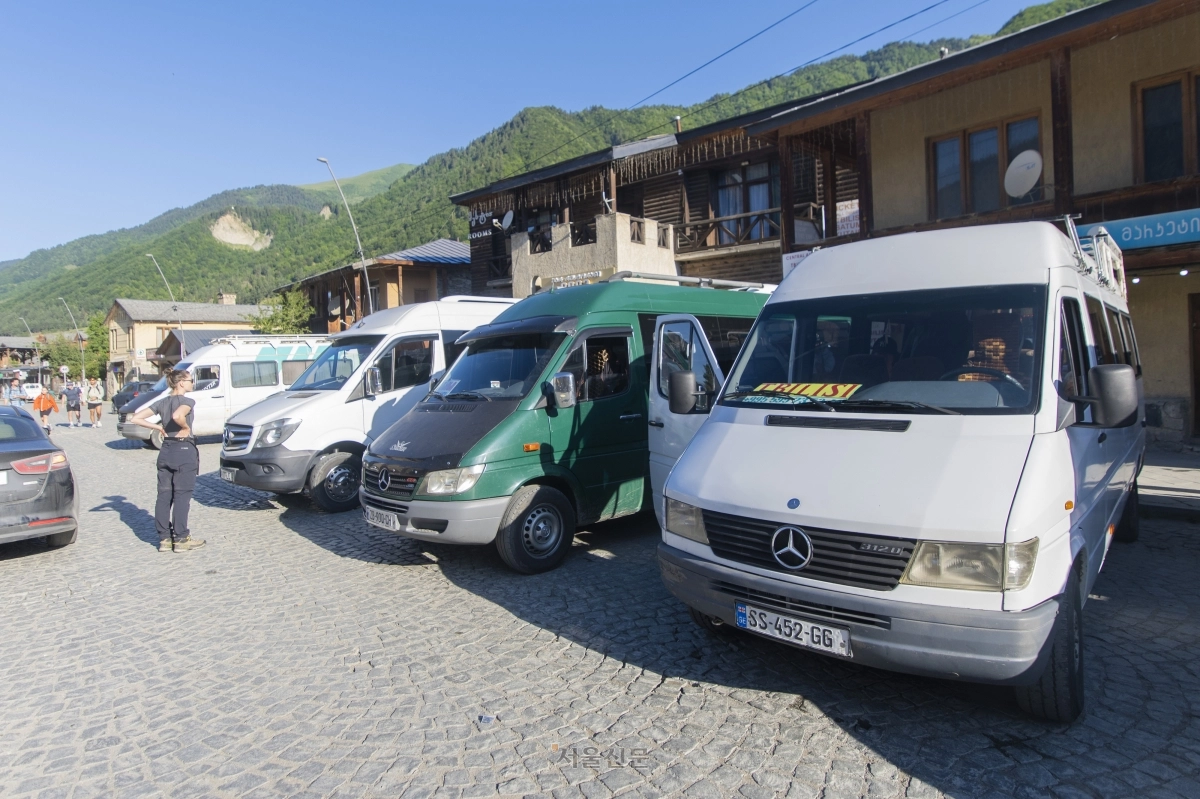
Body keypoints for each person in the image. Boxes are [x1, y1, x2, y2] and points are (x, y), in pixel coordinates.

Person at [130, 369, 205, 553]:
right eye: (190, 380)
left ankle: (164, 539)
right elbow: (177, 416)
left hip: (165, 451)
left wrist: (157, 427)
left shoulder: (162, 402)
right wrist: (185, 427)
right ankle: (181, 538)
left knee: (164, 495)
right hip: (183, 450)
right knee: (182, 495)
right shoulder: (187, 401)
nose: (192, 383)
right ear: (181, 383)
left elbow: (136, 418)